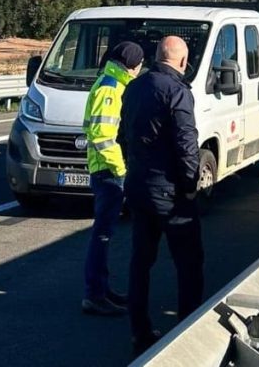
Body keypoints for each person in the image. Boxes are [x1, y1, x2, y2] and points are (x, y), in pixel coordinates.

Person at [120, 36, 204, 357]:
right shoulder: (178, 92)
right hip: (170, 193)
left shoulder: (135, 88)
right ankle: (188, 334)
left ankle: (139, 333)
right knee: (189, 263)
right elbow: (187, 146)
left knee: (141, 262)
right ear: (182, 62)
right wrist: (190, 186)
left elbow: (122, 136)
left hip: (139, 187)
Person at [81, 41, 144, 317]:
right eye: (140, 65)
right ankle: (95, 294)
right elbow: (103, 137)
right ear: (133, 65)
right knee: (102, 236)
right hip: (108, 172)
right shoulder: (110, 88)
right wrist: (121, 171)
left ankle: (103, 290)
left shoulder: (113, 83)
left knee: (104, 234)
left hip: (106, 171)